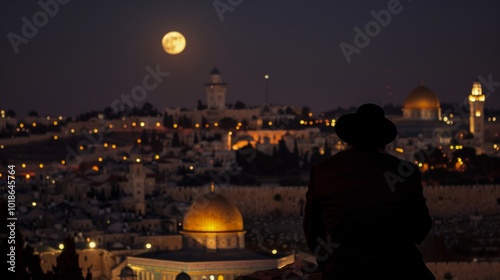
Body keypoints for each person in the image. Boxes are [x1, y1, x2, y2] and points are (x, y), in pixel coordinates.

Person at [303, 103, 435, 279]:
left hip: (342, 269)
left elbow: (312, 228)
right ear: (384, 141)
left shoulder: (322, 171)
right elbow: (422, 224)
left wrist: (329, 263)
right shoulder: (405, 171)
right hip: (397, 268)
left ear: (349, 139)